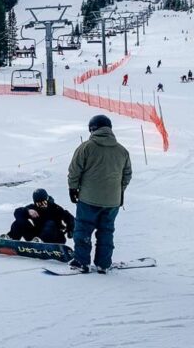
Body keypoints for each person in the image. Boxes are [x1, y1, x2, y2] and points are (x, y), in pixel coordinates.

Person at [67, 115, 132, 274]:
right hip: (112, 201)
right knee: (106, 231)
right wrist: (119, 190)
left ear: (92, 129)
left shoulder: (86, 147)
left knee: (83, 229)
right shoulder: (122, 151)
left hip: (88, 199)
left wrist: (73, 188)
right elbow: (127, 175)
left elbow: (74, 171)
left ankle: (82, 262)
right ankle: (103, 263)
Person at [1, 188, 75, 244]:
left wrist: (70, 229)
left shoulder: (56, 208)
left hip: (54, 237)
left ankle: (41, 241)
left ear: (47, 200)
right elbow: (17, 213)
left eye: (44, 203)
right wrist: (27, 211)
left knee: (50, 223)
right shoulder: (33, 208)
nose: (42, 205)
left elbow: (70, 218)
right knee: (19, 222)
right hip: (36, 237)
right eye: (39, 204)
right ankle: (10, 239)